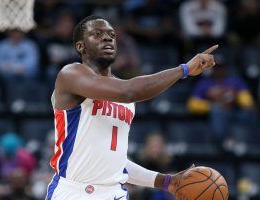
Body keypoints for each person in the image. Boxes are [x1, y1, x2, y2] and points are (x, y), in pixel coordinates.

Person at [46, 15, 217, 200]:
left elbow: (115, 162)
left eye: (111, 34)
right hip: (74, 192)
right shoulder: (71, 74)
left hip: (115, 193)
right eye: (97, 34)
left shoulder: (124, 95)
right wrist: (183, 70)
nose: (107, 38)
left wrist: (167, 181)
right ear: (80, 46)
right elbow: (129, 92)